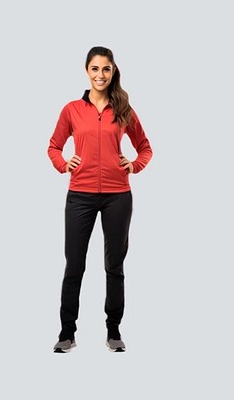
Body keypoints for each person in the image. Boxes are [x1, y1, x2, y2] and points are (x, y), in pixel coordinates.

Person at [47, 46, 153, 353]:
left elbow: (145, 147)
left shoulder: (123, 109)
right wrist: (63, 164)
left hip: (117, 196)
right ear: (87, 71)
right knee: (74, 265)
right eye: (95, 68)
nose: (100, 75)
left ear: (113, 71)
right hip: (79, 195)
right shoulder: (71, 110)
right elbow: (54, 146)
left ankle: (113, 331)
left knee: (114, 265)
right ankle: (67, 332)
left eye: (106, 69)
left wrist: (134, 165)